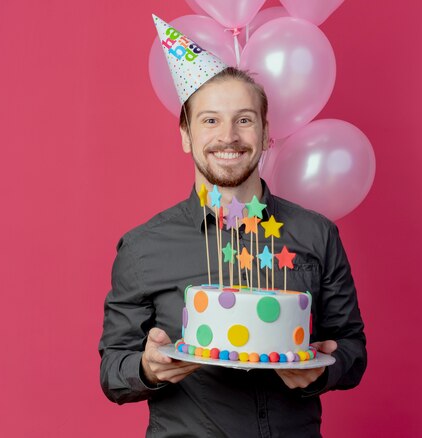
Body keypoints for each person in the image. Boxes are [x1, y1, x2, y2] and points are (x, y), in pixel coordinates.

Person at [99, 17, 366, 437]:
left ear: (265, 131)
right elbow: (113, 370)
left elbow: (352, 348)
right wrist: (147, 367)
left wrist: (322, 369)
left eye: (244, 119)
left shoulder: (316, 234)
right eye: (209, 121)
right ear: (186, 135)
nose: (228, 137)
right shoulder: (143, 247)